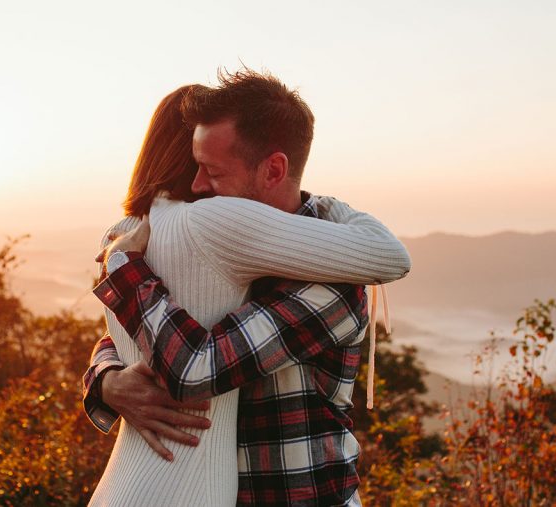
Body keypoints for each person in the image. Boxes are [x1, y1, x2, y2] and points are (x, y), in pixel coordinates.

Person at [84, 70, 411, 506]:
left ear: (274, 169)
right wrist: (106, 379)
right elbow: (129, 337)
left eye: (212, 171)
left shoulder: (331, 282)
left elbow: (194, 368)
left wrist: (121, 266)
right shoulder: (220, 251)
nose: (198, 186)